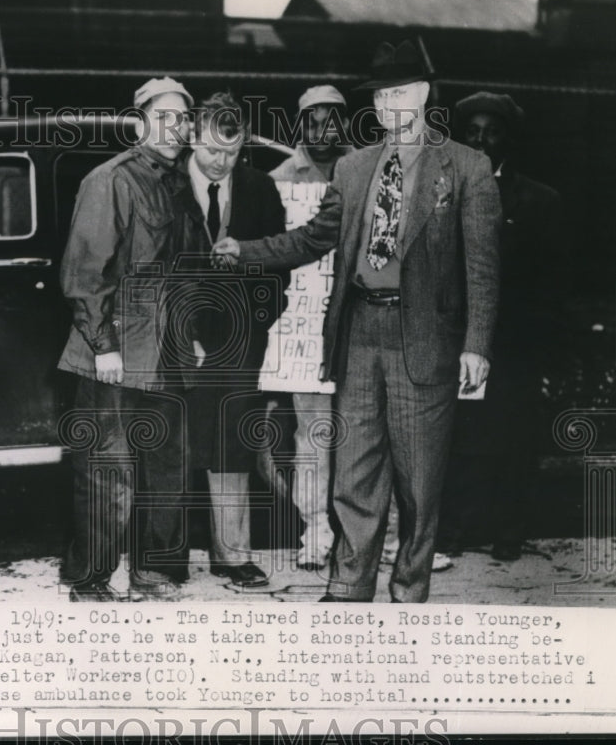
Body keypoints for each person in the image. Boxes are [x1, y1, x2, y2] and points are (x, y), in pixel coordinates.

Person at [214, 39, 501, 602]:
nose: (386, 106)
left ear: (421, 95)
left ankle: (409, 586)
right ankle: (348, 585)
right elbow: (313, 238)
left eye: (398, 93)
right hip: (360, 334)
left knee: (419, 479)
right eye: (379, 97)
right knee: (353, 472)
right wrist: (246, 251)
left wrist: (477, 344)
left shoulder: (467, 168)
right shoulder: (353, 166)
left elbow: (483, 269)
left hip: (425, 340)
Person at [57, 77, 202, 601]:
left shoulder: (177, 181)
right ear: (140, 122)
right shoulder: (111, 180)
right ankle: (88, 578)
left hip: (165, 352)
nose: (174, 128)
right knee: (106, 471)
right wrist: (104, 346)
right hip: (113, 351)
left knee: (166, 467)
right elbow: (83, 272)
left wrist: (190, 332)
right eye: (162, 117)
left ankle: (153, 571)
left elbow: (183, 268)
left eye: (182, 119)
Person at [438, 91, 567, 561]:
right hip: (456, 337)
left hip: (515, 341)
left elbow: (551, 281)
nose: (482, 141)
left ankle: (508, 531)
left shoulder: (538, 200)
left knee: (514, 436)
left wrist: (541, 347)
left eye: (492, 132)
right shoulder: (440, 194)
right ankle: (452, 530)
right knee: (458, 436)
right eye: (472, 133)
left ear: (508, 138)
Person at [180, 92, 288, 588]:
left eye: (232, 151)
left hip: (239, 341)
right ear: (191, 137)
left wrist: (255, 323)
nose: (221, 162)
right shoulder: (164, 184)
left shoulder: (261, 189)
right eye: (210, 151)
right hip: (174, 337)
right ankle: (163, 553)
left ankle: (232, 554)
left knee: (230, 445)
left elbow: (278, 269)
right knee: (168, 443)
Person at [265, 84, 350, 570]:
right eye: (312, 120)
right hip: (303, 327)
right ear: (300, 125)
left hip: (359, 322)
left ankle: (386, 534)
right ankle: (315, 533)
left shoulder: (367, 169)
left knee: (371, 432)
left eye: (332, 119)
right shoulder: (279, 179)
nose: (323, 131)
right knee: (313, 433)